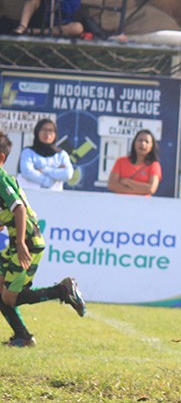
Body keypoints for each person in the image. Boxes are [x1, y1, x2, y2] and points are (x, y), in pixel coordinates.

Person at [0, 131, 86, 347]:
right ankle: (23, 337)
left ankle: (62, 290)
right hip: (18, 241)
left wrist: (20, 243)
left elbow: (19, 209)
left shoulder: (1, 178)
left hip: (27, 242)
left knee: (10, 297)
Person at [17, 118, 73, 191]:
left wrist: (44, 170)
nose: (47, 133)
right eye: (43, 130)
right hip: (29, 194)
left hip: (54, 197)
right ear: (37, 132)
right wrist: (48, 180)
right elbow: (27, 171)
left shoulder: (61, 154)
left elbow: (67, 174)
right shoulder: (28, 152)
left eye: (50, 130)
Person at [107, 130, 161, 196]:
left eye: (147, 142)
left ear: (152, 146)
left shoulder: (154, 165)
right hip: (121, 203)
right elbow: (112, 184)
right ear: (134, 143)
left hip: (143, 204)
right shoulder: (121, 161)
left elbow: (151, 189)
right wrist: (139, 190)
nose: (143, 144)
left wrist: (128, 182)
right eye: (140, 140)